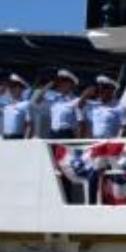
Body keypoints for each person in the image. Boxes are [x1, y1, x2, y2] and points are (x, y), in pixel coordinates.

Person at [36, 70, 86, 202]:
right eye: (59, 82)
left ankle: (67, 199)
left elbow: (81, 123)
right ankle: (54, 199)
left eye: (64, 82)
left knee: (65, 170)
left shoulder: (75, 101)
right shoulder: (54, 99)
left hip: (66, 135)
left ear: (71, 84)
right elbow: (37, 100)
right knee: (51, 168)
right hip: (53, 135)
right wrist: (49, 85)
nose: (60, 85)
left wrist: (78, 143)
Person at [81, 75, 126, 204]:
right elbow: (79, 106)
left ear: (112, 90)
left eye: (104, 89)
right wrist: (86, 95)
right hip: (98, 144)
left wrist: (118, 145)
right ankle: (91, 204)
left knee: (115, 176)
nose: (101, 92)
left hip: (111, 144)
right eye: (100, 89)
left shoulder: (119, 107)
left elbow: (125, 128)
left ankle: (116, 202)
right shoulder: (94, 105)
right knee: (93, 175)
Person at [0, 74, 37, 141]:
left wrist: (25, 143)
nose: (11, 89)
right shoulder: (7, 105)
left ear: (21, 89)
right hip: (5, 137)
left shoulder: (26, 104)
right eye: (10, 87)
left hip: (17, 138)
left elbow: (30, 126)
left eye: (14, 86)